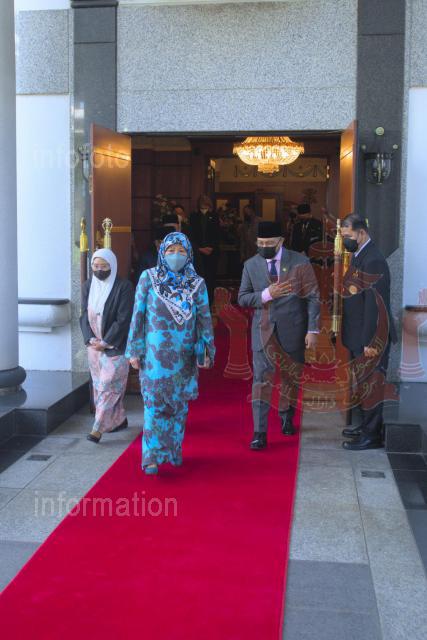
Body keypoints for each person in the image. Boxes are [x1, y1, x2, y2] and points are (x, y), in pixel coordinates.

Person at [125, 231, 215, 474]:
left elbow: (204, 319)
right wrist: (134, 350)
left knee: (178, 406)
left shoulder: (197, 284)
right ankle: (151, 457)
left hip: (184, 356)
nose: (176, 255)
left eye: (181, 251)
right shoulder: (148, 278)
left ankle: (173, 450)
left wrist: (206, 350)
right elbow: (137, 315)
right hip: (154, 357)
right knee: (154, 405)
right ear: (162, 253)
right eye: (171, 251)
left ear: (189, 254)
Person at [238, 221, 320, 450]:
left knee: (290, 378)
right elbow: (242, 297)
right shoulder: (251, 265)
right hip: (263, 329)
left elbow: (313, 297)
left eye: (269, 243)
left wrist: (313, 330)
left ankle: (286, 415)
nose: (264, 247)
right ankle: (259, 432)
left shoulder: (300, 262)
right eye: (260, 243)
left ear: (281, 241)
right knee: (261, 380)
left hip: (293, 328)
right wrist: (265, 294)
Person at [340, 214, 397, 450]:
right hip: (358, 335)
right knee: (364, 385)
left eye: (348, 236)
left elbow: (375, 305)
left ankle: (371, 435)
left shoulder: (373, 260)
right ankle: (366, 427)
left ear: (361, 233)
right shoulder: (360, 255)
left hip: (371, 338)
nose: (345, 240)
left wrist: (370, 341)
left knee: (372, 386)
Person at [80, 248, 135, 443]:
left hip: (116, 346)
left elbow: (123, 319)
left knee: (108, 386)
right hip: (94, 347)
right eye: (96, 266)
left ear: (112, 266)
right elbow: (83, 314)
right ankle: (118, 420)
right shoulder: (88, 286)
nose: (99, 270)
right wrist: (90, 339)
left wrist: (106, 341)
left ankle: (97, 428)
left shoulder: (124, 287)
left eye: (104, 266)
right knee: (99, 386)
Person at [189, 195, 220, 304]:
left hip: (212, 252)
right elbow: (191, 234)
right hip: (198, 252)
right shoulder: (193, 216)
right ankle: (198, 300)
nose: (204, 202)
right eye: (202, 201)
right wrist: (199, 248)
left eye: (206, 201)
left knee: (210, 277)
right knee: (198, 276)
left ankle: (210, 301)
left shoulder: (214, 216)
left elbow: (217, 233)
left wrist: (211, 247)